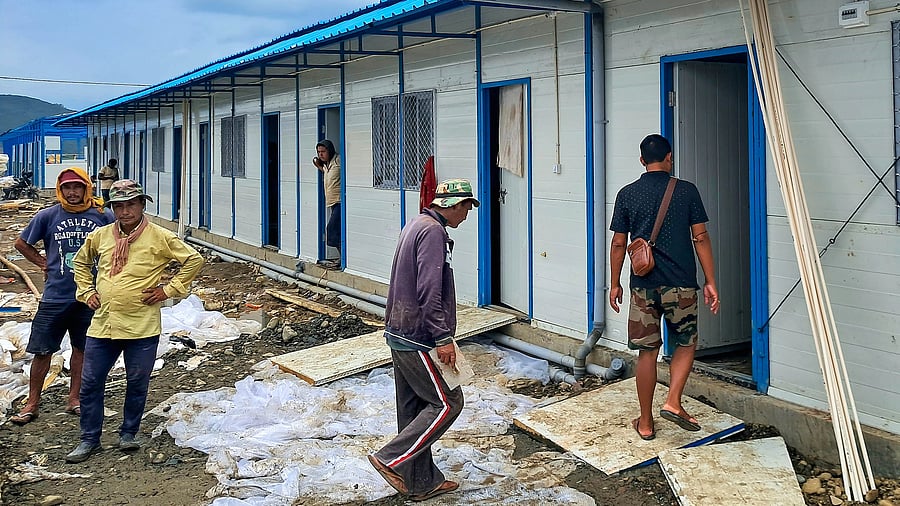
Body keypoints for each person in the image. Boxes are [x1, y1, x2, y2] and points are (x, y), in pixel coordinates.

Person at [66, 179, 204, 463]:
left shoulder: (159, 237)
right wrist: (87, 290)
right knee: (90, 383)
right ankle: (89, 439)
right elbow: (80, 262)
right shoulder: (101, 236)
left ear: (142, 204)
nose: (125, 211)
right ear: (112, 208)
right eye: (119, 205)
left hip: (141, 325)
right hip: (103, 323)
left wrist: (167, 290)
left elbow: (193, 260)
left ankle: (129, 433)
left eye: (131, 204)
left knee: (137, 381)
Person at [368, 178, 479, 501]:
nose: (467, 215)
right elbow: (429, 289)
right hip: (419, 335)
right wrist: (442, 336)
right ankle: (390, 458)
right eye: (467, 208)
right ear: (453, 206)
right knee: (448, 402)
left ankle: (420, 482)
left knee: (413, 409)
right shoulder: (433, 233)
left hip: (399, 330)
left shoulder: (417, 223)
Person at [608, 134, 720, 441]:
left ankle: (645, 422)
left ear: (642, 161)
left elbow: (619, 242)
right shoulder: (686, 191)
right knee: (685, 343)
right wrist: (710, 280)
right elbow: (700, 237)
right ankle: (672, 401)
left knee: (647, 353)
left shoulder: (627, 194)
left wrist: (615, 283)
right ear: (669, 157)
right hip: (681, 284)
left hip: (643, 286)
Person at [10, 168, 114, 425]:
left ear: (86, 188)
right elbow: (21, 244)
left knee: (83, 348)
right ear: (60, 190)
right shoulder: (47, 216)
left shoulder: (103, 215)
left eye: (78, 187)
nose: (72, 193)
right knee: (42, 351)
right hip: (55, 295)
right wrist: (42, 263)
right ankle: (32, 403)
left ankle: (75, 399)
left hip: (90, 296)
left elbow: (120, 243)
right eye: (67, 188)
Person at [311, 140, 341, 265]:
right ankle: (342, 257)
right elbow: (328, 173)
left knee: (332, 229)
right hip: (332, 202)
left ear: (330, 150)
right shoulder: (326, 165)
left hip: (340, 201)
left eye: (323, 151)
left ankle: (342, 257)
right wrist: (319, 166)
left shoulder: (338, 161)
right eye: (319, 152)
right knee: (337, 229)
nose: (321, 155)